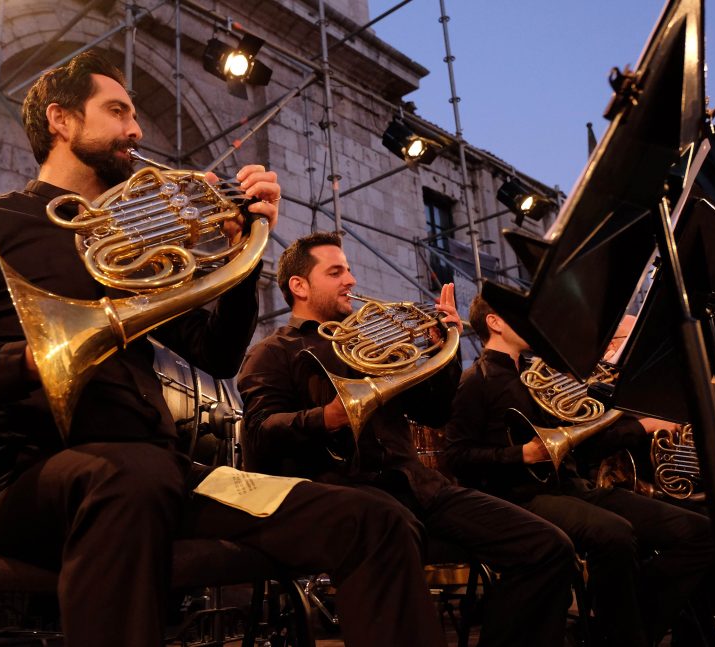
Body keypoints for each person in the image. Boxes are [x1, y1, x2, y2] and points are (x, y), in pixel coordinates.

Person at [0, 50, 443, 646]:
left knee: (375, 520)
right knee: (131, 476)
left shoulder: (132, 239)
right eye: (117, 111)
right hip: (27, 479)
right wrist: (31, 359)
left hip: (165, 472)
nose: (136, 130)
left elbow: (216, 356)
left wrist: (243, 252)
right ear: (61, 121)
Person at [238, 232, 577, 647]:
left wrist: (443, 356)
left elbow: (434, 413)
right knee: (392, 526)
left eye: (349, 269)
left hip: (419, 486)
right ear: (299, 286)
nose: (352, 280)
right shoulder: (272, 353)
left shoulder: (369, 341)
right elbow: (259, 432)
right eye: (336, 271)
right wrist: (323, 418)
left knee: (548, 546)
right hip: (347, 488)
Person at [445, 294, 715, 647]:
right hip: (523, 496)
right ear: (494, 322)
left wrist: (636, 423)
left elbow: (585, 442)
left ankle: (621, 630)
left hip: (573, 487)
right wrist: (519, 455)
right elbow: (458, 456)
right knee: (615, 534)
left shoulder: (538, 376)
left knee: (699, 532)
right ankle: (623, 634)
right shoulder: (476, 380)